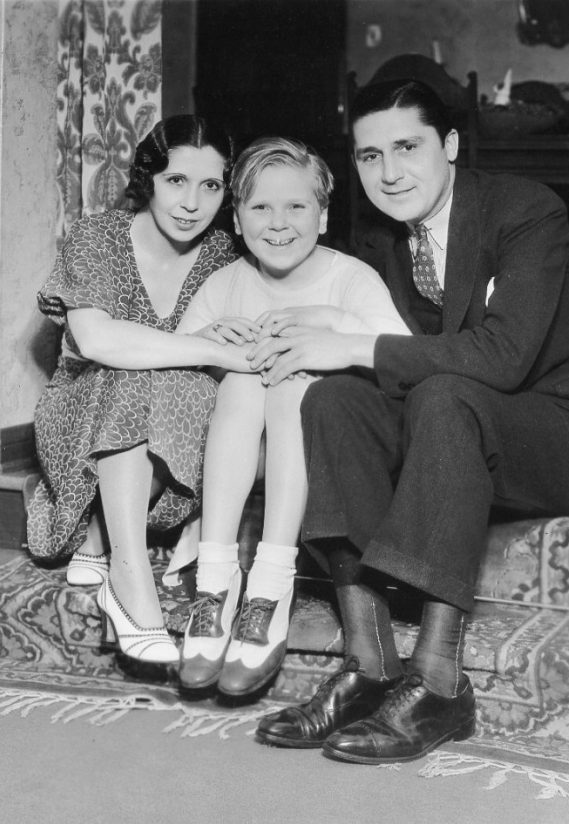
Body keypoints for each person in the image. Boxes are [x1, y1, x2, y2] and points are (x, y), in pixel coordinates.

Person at [249, 80, 569, 763]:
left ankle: (439, 681)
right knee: (332, 400)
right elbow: (394, 348)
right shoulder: (377, 233)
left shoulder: (524, 210)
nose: (390, 173)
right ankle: (370, 666)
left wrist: (352, 344)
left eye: (408, 147)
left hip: (566, 431)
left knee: (443, 394)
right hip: (452, 433)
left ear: (451, 145)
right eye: (370, 156)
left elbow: (503, 357)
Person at [174, 137, 410, 696]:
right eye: (260, 207)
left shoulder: (350, 278)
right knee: (240, 381)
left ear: (323, 217)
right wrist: (209, 340)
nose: (278, 223)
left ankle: (270, 583)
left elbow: (403, 353)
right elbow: (177, 361)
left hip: (316, 446)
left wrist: (332, 320)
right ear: (237, 220)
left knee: (290, 377)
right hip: (240, 452)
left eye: (297, 207)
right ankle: (215, 581)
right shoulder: (226, 282)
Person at [26, 115, 252, 666]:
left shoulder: (222, 252)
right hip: (83, 413)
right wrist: (206, 348)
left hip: (169, 431)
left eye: (211, 186)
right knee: (131, 375)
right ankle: (129, 578)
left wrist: (217, 351)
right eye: (176, 181)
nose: (192, 203)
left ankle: (101, 536)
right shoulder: (98, 235)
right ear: (149, 178)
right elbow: (98, 340)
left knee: (189, 386)